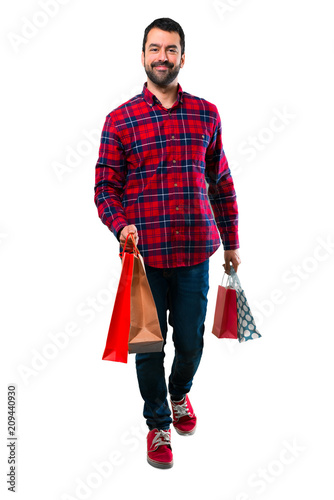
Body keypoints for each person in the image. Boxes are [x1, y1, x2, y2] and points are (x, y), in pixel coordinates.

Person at [94, 17, 241, 469]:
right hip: (144, 258)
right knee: (147, 346)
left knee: (192, 342)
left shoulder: (207, 114)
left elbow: (221, 181)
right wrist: (121, 226)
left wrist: (232, 241)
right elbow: (105, 188)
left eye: (171, 49)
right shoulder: (119, 119)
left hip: (197, 251)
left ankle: (179, 395)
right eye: (155, 49)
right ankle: (158, 422)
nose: (163, 57)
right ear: (143, 56)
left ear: (182, 56)